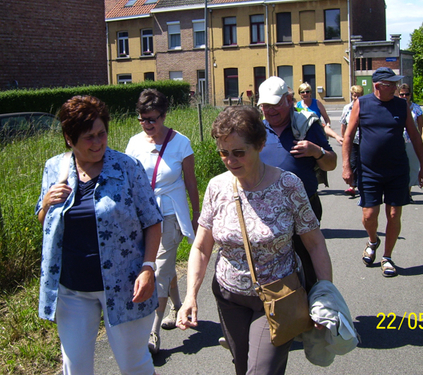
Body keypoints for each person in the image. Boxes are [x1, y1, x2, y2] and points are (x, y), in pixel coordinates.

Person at [177, 106, 333, 375]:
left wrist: (325, 295)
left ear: (260, 145)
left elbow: (315, 243)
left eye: (239, 152)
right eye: (223, 153)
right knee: (242, 367)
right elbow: (202, 248)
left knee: (261, 372)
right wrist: (190, 295)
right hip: (229, 296)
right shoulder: (217, 187)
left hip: (278, 297)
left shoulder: (288, 185)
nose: (230, 160)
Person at [36, 95, 163, 375]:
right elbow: (44, 221)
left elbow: (152, 221)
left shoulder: (126, 167)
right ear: (69, 138)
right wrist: (45, 204)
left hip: (125, 286)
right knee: (75, 366)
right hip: (72, 288)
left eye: (101, 134)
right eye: (88, 137)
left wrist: (148, 267)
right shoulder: (54, 167)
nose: (97, 143)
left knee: (134, 364)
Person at [125, 88, 199, 355]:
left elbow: (191, 182)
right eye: (143, 119)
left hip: (170, 212)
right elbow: (129, 181)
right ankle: (177, 305)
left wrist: (196, 212)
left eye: (153, 119)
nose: (148, 125)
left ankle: (152, 332)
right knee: (159, 264)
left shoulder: (181, 143)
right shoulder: (134, 143)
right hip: (142, 215)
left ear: (164, 115)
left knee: (159, 267)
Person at [342, 68, 423, 278]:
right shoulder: (362, 104)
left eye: (396, 84)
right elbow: (348, 135)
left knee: (393, 214)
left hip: (397, 170)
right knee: (369, 215)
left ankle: (387, 257)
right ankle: (373, 240)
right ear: (378, 86)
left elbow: (416, 138)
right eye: (391, 84)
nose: (396, 88)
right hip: (369, 171)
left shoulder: (401, 105)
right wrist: (346, 165)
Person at [257, 76, 336, 289]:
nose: (270, 110)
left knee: (307, 261)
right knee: (273, 265)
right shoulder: (256, 131)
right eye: (265, 106)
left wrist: (315, 151)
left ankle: (313, 308)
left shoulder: (307, 125)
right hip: (267, 211)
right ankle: (282, 311)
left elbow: (331, 164)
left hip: (304, 206)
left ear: (289, 100)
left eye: (275, 105)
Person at [397, 83, 423, 201]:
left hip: (412, 141)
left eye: (407, 94)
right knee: (399, 166)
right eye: (402, 94)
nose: (405, 96)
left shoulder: (416, 108)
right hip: (398, 140)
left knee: (412, 167)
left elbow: (422, 126)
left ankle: (407, 193)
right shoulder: (396, 107)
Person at [339, 85, 365, 196]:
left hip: (364, 140)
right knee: (352, 163)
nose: (356, 98)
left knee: (364, 163)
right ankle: (352, 186)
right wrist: (344, 138)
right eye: (354, 96)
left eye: (358, 96)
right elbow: (343, 123)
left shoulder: (365, 107)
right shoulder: (347, 108)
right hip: (352, 140)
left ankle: (363, 185)